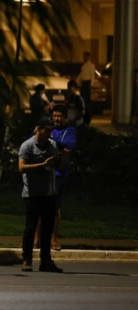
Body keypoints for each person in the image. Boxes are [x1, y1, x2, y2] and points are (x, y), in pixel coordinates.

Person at [18, 118, 70, 273]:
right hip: (32, 193)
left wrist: (64, 159)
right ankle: (27, 259)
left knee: (47, 229)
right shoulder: (27, 146)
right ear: (38, 129)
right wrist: (42, 165)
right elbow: (21, 167)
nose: (49, 134)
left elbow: (58, 166)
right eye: (46, 131)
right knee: (30, 227)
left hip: (49, 192)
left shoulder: (52, 145)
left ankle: (46, 260)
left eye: (50, 131)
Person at [34, 105, 76, 251]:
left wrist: (48, 137)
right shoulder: (46, 129)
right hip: (43, 172)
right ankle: (36, 238)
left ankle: (53, 239)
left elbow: (68, 145)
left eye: (59, 116)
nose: (57, 118)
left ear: (65, 117)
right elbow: (34, 139)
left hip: (59, 174)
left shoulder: (69, 131)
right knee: (40, 206)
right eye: (55, 116)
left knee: (54, 207)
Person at [76, 51, 96, 125]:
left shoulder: (91, 65)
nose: (84, 57)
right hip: (83, 84)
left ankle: (87, 117)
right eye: (83, 56)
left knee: (87, 101)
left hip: (87, 84)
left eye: (85, 56)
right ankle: (84, 117)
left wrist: (91, 84)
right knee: (82, 100)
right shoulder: (84, 66)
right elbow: (81, 76)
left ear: (88, 57)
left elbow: (92, 76)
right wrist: (77, 83)